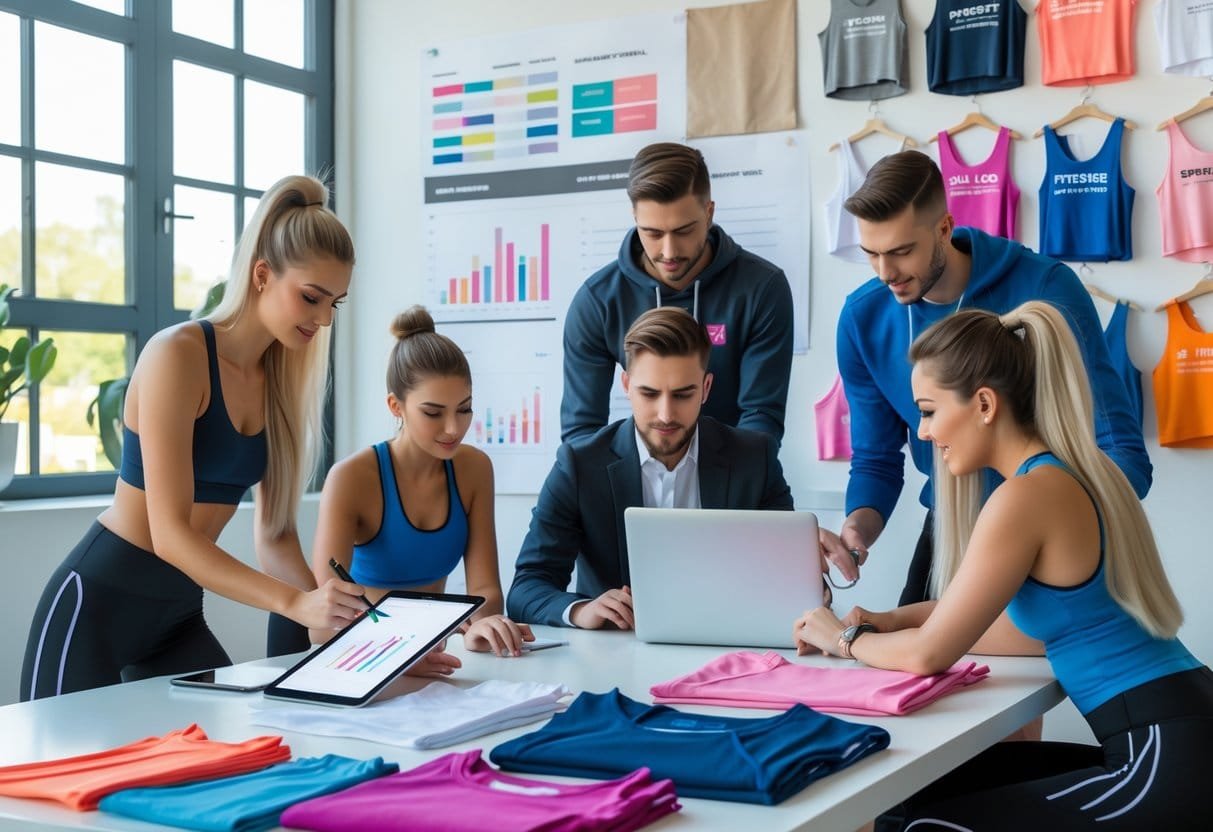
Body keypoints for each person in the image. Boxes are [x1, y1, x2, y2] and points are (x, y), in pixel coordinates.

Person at [794, 302, 1212, 829]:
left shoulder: (1026, 496)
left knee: (925, 828)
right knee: (904, 797)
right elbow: (1027, 631)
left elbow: (929, 655)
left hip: (1158, 754)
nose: (923, 432)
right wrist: (890, 620)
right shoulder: (1066, 474)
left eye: (927, 410)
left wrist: (842, 640)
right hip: (1176, 730)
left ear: (985, 404)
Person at [18, 175, 407, 702]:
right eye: (311, 297)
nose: (323, 319)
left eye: (334, 304)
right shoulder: (177, 355)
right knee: (51, 780)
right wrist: (295, 605)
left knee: (238, 756)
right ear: (263, 275)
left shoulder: (278, 386)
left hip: (176, 615)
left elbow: (274, 537)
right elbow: (170, 536)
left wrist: (346, 622)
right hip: (96, 607)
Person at [820, 150, 1151, 603]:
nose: (886, 273)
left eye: (900, 251)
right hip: (951, 527)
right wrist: (855, 532)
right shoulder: (862, 318)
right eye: (871, 254)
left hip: (1056, 527)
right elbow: (876, 459)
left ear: (943, 228)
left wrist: (1062, 524)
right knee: (900, 659)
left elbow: (1121, 452)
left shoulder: (1046, 287)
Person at [509, 307, 793, 629]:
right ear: (627, 385)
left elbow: (792, 582)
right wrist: (580, 609)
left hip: (727, 645)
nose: (666, 414)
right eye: (649, 393)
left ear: (706, 388)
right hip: (616, 654)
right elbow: (526, 588)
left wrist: (810, 577)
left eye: (683, 394)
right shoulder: (578, 465)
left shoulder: (755, 458)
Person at [312, 305, 534, 658]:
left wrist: (479, 623)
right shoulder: (350, 479)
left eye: (464, 409)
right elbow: (323, 623)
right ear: (395, 406)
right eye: (433, 413)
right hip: (361, 650)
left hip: (430, 646)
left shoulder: (475, 469)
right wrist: (440, 621)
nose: (453, 428)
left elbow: (487, 590)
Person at [560, 141, 794, 445]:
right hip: (634, 481)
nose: (669, 251)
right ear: (634, 217)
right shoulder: (597, 302)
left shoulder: (763, 288)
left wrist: (722, 486)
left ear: (709, 213)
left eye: (684, 231)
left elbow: (762, 419)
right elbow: (582, 432)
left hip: (733, 479)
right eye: (653, 233)